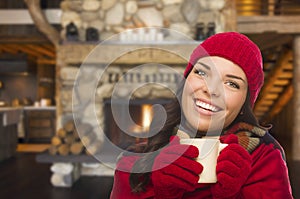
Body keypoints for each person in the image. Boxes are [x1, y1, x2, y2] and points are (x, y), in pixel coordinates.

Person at [110, 32, 294, 198]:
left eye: (232, 84)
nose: (211, 89)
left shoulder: (264, 158)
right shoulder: (134, 162)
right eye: (201, 72)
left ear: (244, 104)